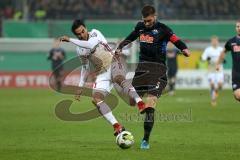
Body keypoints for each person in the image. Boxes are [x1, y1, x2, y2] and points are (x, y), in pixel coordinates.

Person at [116, 5, 190, 149]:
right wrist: (120, 47)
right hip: (142, 69)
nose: (147, 23)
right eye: (145, 21)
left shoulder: (164, 29)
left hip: (158, 70)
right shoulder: (140, 27)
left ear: (154, 16)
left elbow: (176, 40)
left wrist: (184, 48)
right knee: (131, 101)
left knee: (150, 104)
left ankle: (145, 140)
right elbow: (130, 37)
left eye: (149, 21)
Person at [59, 19, 146, 136]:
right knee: (96, 99)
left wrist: (70, 39)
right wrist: (80, 86)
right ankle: (117, 126)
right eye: (78, 34)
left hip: (113, 61)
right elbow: (85, 67)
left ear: (86, 28)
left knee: (118, 79)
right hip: (102, 73)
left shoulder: (95, 33)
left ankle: (140, 103)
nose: (81, 35)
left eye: (82, 31)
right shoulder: (79, 49)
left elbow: (90, 44)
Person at [216, 21, 240, 102]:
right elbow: (223, 51)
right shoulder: (231, 41)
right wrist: (218, 64)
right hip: (236, 74)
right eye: (237, 26)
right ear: (235, 28)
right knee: (237, 95)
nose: (239, 28)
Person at [202, 36, 224, 106]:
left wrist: (221, 61)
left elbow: (223, 58)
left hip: (219, 68)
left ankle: (215, 93)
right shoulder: (208, 50)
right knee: (212, 84)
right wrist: (208, 59)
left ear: (218, 42)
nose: (214, 42)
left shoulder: (221, 49)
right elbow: (203, 58)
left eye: (216, 41)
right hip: (211, 69)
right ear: (211, 42)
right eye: (213, 41)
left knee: (220, 85)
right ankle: (213, 99)